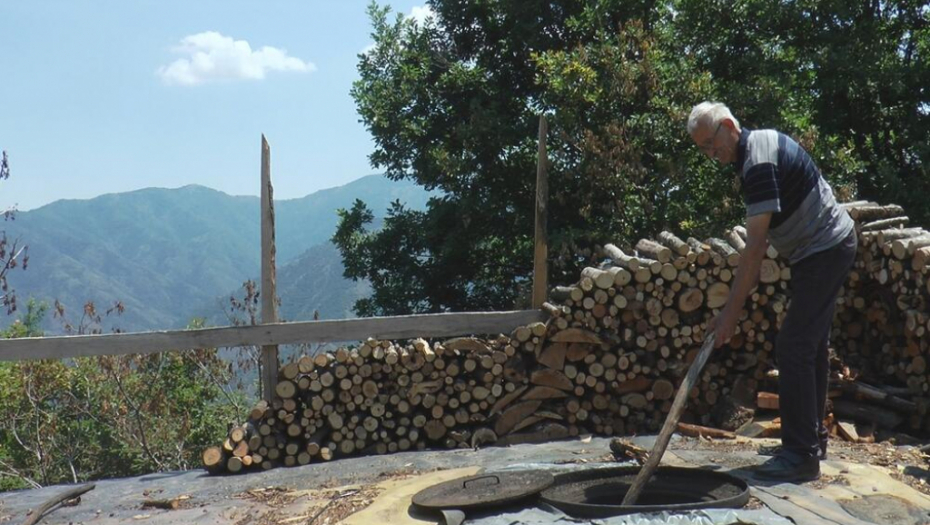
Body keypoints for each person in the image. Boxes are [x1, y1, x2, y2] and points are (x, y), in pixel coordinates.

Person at [686, 102, 857, 482]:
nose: (712, 155)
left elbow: (756, 247)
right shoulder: (753, 154)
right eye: (703, 149)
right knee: (809, 345)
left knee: (794, 346)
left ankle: (800, 456)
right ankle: (811, 440)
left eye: (712, 144)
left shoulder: (758, 162)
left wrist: (730, 312)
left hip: (826, 248)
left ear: (730, 126)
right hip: (818, 251)